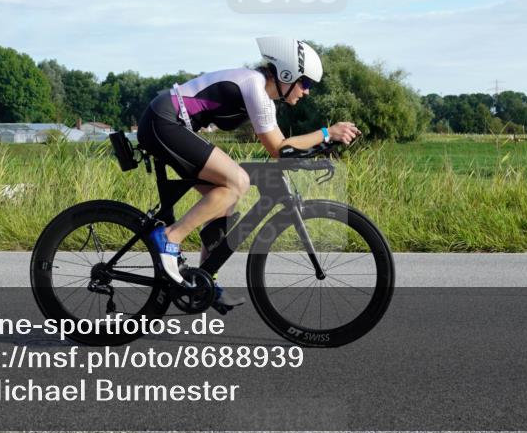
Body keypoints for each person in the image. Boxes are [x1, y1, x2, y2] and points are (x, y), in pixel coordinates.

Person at [136, 37, 361, 310]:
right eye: (306, 83)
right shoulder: (254, 87)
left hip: (168, 122)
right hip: (164, 121)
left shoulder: (259, 92)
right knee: (237, 180)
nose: (307, 92)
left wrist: (322, 146)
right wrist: (327, 132)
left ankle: (206, 278)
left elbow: (283, 148)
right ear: (287, 74)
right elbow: (280, 149)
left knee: (224, 201)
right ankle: (169, 238)